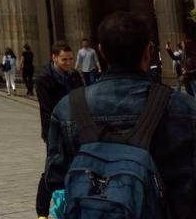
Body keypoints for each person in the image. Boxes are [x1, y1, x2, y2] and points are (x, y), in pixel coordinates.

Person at [45, 11, 196, 218]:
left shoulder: (68, 108)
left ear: (101, 52)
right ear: (148, 51)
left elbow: (55, 181)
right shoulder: (185, 107)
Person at [33, 40, 83, 218]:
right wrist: (56, 132)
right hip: (55, 131)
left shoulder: (74, 76)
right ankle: (42, 212)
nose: (69, 63)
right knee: (52, 170)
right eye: (64, 60)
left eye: (70, 59)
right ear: (54, 58)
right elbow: (47, 110)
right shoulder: (44, 78)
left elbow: (82, 100)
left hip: (75, 130)